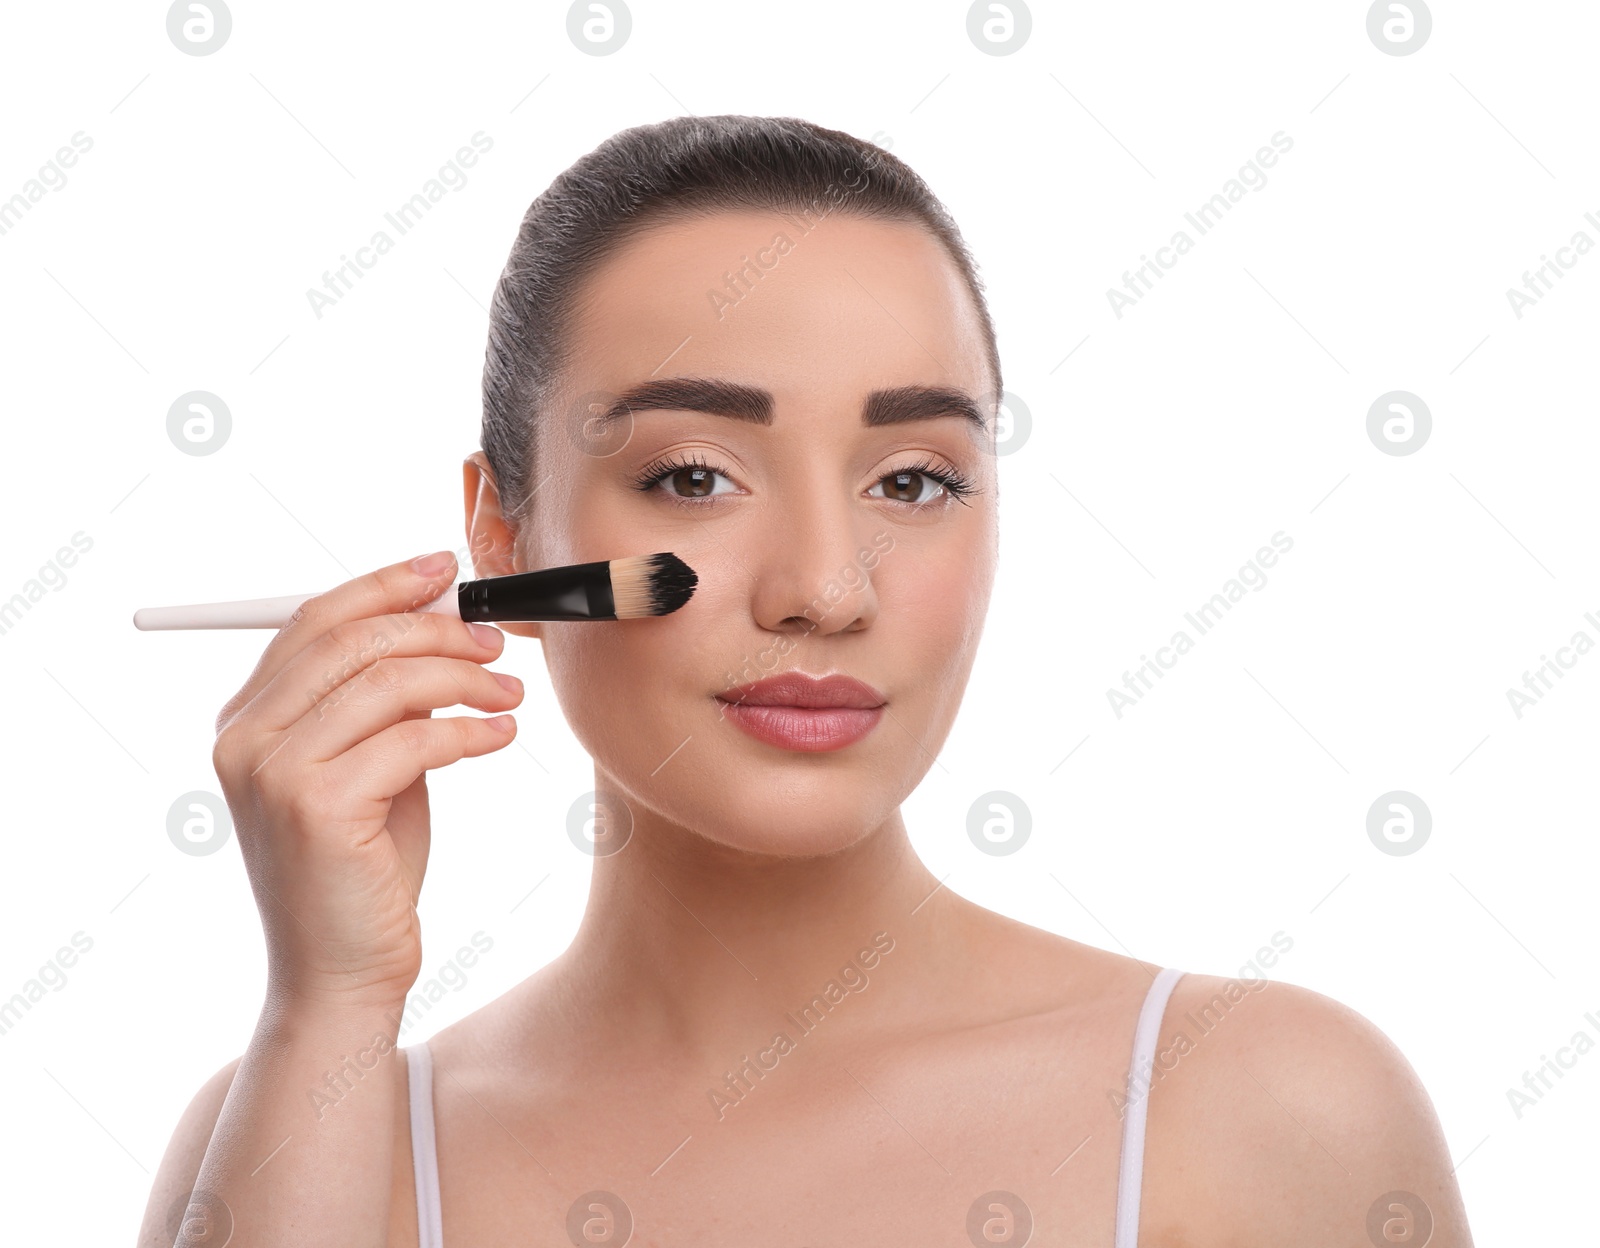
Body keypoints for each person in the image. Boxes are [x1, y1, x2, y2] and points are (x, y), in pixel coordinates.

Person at [139, 115, 1473, 1247]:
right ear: (504, 536)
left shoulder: (1266, 1107)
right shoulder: (297, 1135)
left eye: (913, 481)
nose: (827, 590)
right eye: (695, 477)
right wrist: (327, 1008)